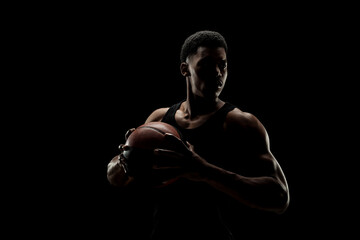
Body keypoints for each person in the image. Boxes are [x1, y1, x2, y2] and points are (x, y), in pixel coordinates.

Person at [107, 30, 290, 240]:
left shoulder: (240, 124)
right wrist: (126, 158)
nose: (217, 73)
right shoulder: (160, 120)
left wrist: (203, 170)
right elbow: (117, 179)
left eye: (222, 65)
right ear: (185, 69)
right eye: (206, 64)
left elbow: (279, 196)